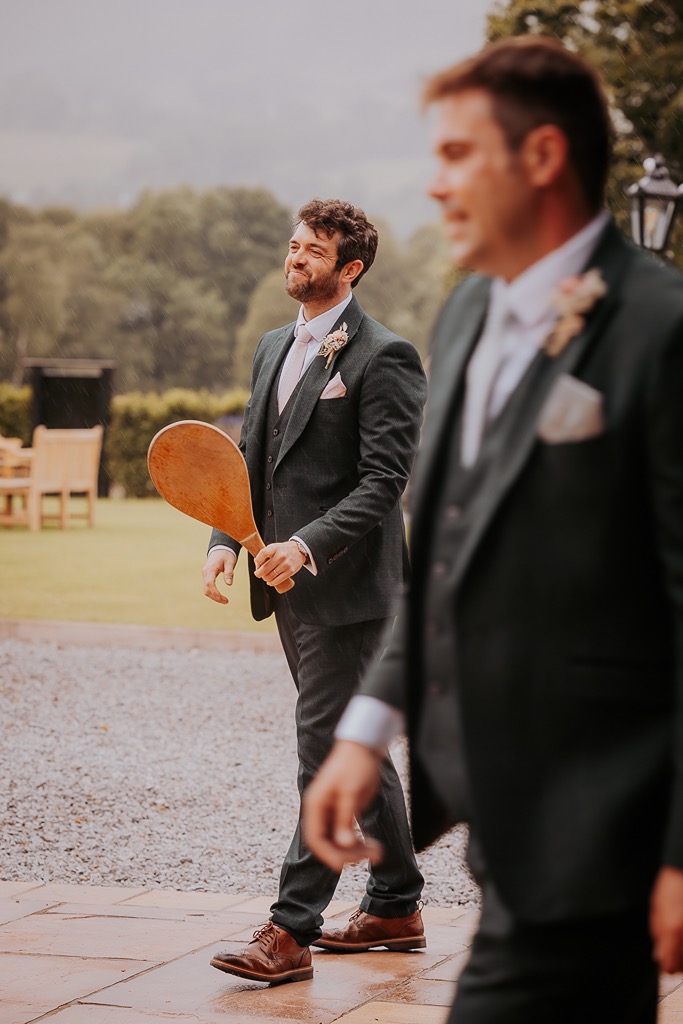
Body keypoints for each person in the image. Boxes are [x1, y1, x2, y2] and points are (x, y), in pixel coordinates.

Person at [302, 37, 683, 1023]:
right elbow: (446, 549)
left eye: (458, 156)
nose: (433, 187)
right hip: (500, 829)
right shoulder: (467, 309)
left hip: (605, 828)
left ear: (543, 157)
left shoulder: (661, 331)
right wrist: (364, 731)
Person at [202, 198, 428, 984]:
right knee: (353, 745)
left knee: (323, 750)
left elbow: (383, 483)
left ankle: (290, 930)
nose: (295, 258)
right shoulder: (272, 347)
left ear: (350, 268)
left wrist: (305, 546)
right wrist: (225, 541)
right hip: (283, 591)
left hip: (351, 591)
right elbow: (246, 457)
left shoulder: (384, 356)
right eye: (293, 245)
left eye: (313, 251)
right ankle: (396, 904)